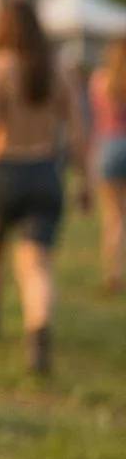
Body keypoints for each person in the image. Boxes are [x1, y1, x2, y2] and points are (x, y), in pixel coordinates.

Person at [0, 0, 89, 374]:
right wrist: (85, 180)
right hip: (45, 171)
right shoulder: (58, 68)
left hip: (4, 172)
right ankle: (38, 335)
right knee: (36, 263)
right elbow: (78, 133)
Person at [89, 37, 126, 294]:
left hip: (107, 146)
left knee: (112, 217)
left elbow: (95, 118)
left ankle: (113, 271)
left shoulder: (99, 80)